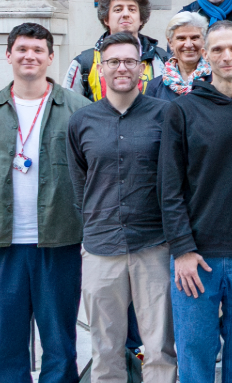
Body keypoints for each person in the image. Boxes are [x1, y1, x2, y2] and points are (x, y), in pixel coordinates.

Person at [0, 23, 91, 383]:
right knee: (8, 339)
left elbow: (91, 168)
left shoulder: (77, 108)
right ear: (9, 55)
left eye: (38, 50)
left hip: (59, 240)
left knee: (59, 340)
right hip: (5, 243)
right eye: (22, 49)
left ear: (51, 57)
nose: (29, 56)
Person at [159, 21, 232, 383]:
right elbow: (169, 187)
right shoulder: (182, 110)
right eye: (218, 49)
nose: (227, 56)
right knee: (194, 352)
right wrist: (181, 249)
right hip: (196, 257)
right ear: (205, 55)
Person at [68, 32, 174, 383]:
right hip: (101, 248)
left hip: (154, 245)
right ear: (101, 69)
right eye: (113, 61)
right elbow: (79, 184)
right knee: (105, 349)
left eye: (130, 61)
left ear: (142, 68)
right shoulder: (82, 121)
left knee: (160, 349)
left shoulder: (166, 115)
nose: (122, 68)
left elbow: (177, 179)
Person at [70, 0, 166, 101]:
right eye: (118, 10)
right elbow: (70, 106)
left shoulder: (161, 60)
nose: (125, 14)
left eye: (132, 9)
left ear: (141, 19)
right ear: (106, 19)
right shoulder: (84, 63)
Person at [148, 11, 210, 100]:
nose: (188, 45)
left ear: (204, 41)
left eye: (194, 38)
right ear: (170, 43)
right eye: (181, 38)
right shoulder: (155, 87)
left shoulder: (217, 81)